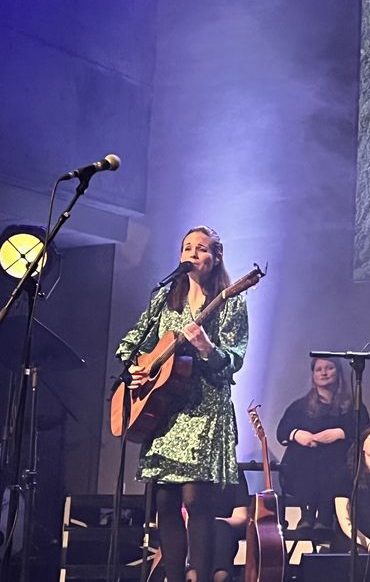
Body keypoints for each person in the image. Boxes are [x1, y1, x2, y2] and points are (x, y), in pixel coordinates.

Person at [115, 226, 249, 582]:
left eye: (200, 248)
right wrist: (137, 369)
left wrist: (207, 348)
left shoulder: (231, 300)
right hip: (165, 408)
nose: (191, 253)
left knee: (194, 500)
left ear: (215, 257)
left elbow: (235, 358)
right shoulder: (164, 298)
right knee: (164, 502)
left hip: (205, 409)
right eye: (186, 247)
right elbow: (131, 342)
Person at [276, 357, 369, 528]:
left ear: (338, 372)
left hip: (338, 469)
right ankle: (307, 515)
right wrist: (297, 434)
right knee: (303, 452)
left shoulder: (353, 406)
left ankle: (325, 516)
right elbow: (281, 432)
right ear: (313, 375)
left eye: (329, 368)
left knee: (333, 454)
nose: (324, 373)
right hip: (303, 468)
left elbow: (365, 431)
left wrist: (340, 433)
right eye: (319, 369)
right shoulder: (300, 406)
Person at [334, 423, 370, 554]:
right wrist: (367, 543)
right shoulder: (346, 474)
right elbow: (344, 518)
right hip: (351, 540)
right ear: (363, 445)